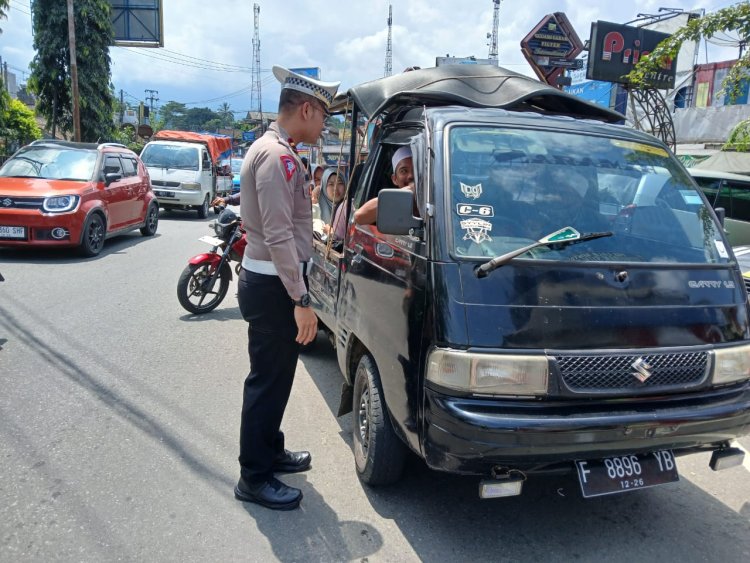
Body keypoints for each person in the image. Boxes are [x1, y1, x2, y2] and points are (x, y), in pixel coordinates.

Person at [233, 65, 339, 511]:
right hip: (274, 285)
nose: (324, 126)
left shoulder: (278, 149)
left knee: (277, 379)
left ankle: (269, 451)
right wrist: (300, 299)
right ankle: (254, 476)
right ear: (307, 109)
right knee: (268, 380)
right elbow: (277, 236)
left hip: (275, 281)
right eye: (324, 118)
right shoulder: (276, 157)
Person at [353, 146, 414, 225]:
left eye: (415, 170)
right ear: (394, 179)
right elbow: (359, 217)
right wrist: (408, 191)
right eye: (404, 171)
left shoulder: (432, 198)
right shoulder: (392, 203)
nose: (411, 176)